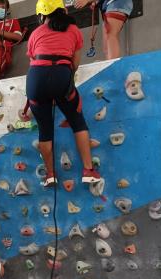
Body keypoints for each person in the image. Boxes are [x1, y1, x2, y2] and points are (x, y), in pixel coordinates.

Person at [26, 0, 101, 187]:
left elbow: (34, 64)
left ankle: (50, 175)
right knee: (77, 121)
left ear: (41, 15)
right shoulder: (74, 30)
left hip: (35, 80)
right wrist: (62, 85)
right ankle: (88, 170)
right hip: (61, 73)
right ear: (62, 9)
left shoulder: (35, 34)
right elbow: (74, 64)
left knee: (45, 130)